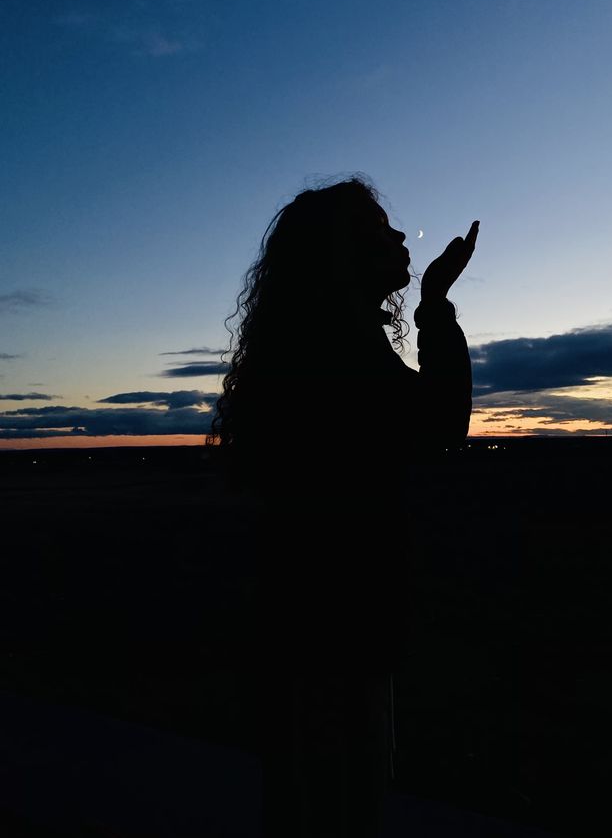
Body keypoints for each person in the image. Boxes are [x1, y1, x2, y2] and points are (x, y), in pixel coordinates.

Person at [207, 175, 478, 837]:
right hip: (338, 625)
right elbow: (442, 419)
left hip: (307, 620)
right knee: (337, 800)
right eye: (378, 227)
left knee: (308, 795)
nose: (395, 235)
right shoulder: (341, 352)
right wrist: (436, 302)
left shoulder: (313, 345)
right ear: (344, 251)